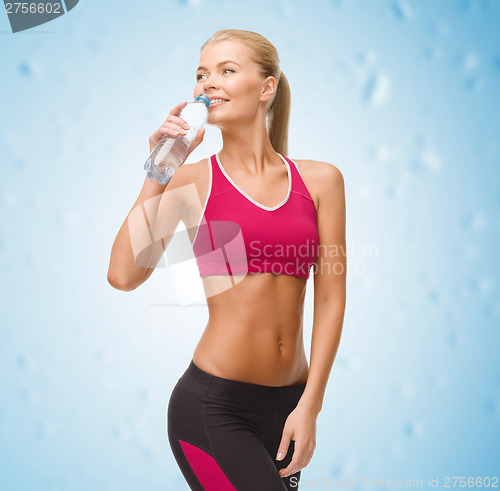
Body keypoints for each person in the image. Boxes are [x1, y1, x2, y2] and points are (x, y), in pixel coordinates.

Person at [107, 28, 346, 491]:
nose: (207, 83)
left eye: (226, 71)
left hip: (290, 406)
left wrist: (310, 406)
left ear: (266, 88)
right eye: (201, 74)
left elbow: (331, 298)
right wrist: (161, 168)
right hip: (214, 408)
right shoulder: (191, 182)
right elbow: (123, 275)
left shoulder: (322, 181)